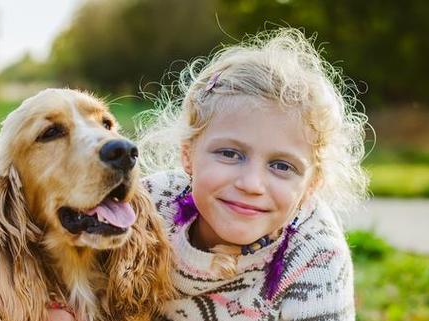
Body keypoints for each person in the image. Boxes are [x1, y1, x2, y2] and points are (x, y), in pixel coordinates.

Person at [136, 28, 370, 320]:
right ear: (188, 155)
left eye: (282, 166)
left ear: (312, 184)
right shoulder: (152, 206)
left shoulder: (314, 255)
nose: (251, 184)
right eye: (230, 154)